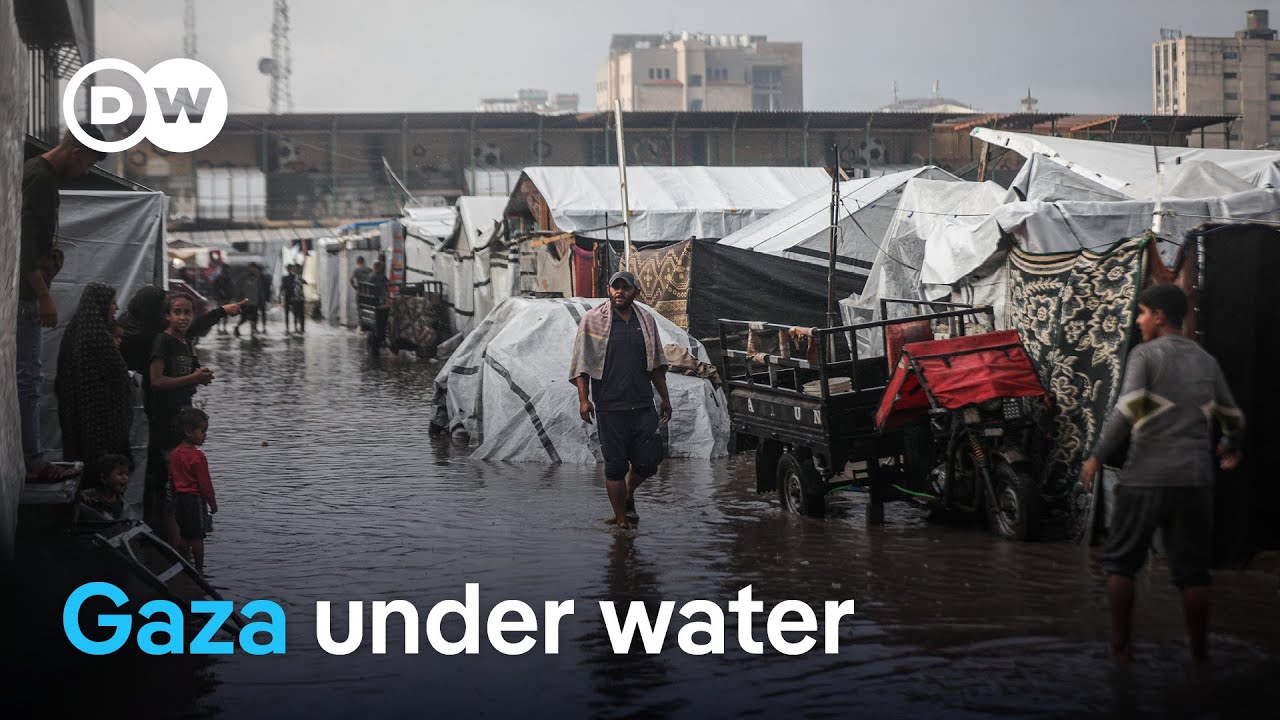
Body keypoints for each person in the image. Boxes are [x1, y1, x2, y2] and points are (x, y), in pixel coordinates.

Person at [1081, 283, 1244, 664]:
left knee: (1121, 564)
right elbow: (1232, 416)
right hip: (1195, 481)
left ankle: (1121, 650)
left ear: (1158, 316)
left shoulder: (1145, 355)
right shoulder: (1206, 361)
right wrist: (1229, 446)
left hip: (1145, 477)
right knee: (1193, 574)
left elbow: (1126, 411)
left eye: (1142, 313)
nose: (1138, 321)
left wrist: (1096, 457)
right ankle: (1200, 656)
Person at [18, 127, 107, 482]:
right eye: (88, 163)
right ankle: (33, 462)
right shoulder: (41, 179)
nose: (86, 171)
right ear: (75, 151)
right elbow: (24, 242)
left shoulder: (34, 171)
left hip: (23, 291)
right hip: (26, 295)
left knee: (26, 378)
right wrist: (43, 295)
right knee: (28, 379)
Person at [569, 271, 672, 529]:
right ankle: (622, 521)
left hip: (642, 403)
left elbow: (656, 365)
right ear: (609, 289)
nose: (620, 292)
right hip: (609, 406)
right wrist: (584, 400)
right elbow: (581, 364)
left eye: (626, 288)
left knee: (649, 460)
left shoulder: (645, 320)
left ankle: (627, 494)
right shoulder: (592, 320)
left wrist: (665, 398)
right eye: (616, 287)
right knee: (615, 465)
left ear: (635, 291)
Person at [147, 293, 215, 543]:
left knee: (182, 483)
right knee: (171, 485)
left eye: (187, 312)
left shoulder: (185, 341)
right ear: (168, 315)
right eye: (177, 312)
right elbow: (156, 381)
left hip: (181, 419)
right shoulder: (163, 342)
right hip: (166, 421)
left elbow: (187, 375)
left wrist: (200, 376)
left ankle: (183, 542)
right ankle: (174, 545)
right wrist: (193, 378)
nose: (183, 317)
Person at [55, 283, 133, 477]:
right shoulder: (96, 336)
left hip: (79, 419)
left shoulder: (76, 330)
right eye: (112, 302)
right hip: (100, 423)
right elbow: (116, 374)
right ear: (100, 304)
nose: (116, 307)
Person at [168, 407, 217, 573]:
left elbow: (172, 479)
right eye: (202, 431)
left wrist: (173, 498)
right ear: (189, 432)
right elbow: (205, 484)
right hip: (194, 500)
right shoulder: (197, 457)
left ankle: (183, 564)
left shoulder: (174, 454)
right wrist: (212, 502)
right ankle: (199, 570)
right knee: (197, 536)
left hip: (179, 499)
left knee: (184, 534)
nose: (205, 435)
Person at [79, 454, 130, 520]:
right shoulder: (88, 497)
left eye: (127, 474)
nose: (125, 477)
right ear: (104, 478)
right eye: (120, 474)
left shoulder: (122, 504)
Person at [368, 259, 391, 354]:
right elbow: (386, 290)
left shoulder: (370, 276)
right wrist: (387, 300)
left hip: (370, 302)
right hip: (378, 303)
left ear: (374, 267)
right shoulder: (382, 277)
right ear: (380, 267)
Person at [235, 263, 262, 337]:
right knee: (244, 318)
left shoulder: (258, 277)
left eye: (254, 268)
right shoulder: (244, 277)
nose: (253, 269)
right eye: (252, 267)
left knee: (254, 317)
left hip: (255, 301)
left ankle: (253, 331)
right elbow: (239, 288)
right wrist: (239, 300)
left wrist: (261, 299)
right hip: (245, 301)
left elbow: (259, 290)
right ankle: (237, 327)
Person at [281, 263, 307, 333]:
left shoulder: (296, 277)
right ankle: (290, 328)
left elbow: (304, 283)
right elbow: (283, 287)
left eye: (291, 268)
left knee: (298, 313)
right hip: (289, 297)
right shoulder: (286, 278)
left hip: (296, 297)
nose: (291, 269)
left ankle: (299, 328)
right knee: (291, 313)